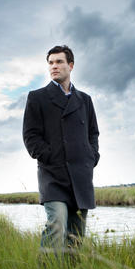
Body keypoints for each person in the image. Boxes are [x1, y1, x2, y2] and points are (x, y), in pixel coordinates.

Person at [22, 45, 100, 253]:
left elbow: (93, 133)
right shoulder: (37, 97)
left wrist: (91, 157)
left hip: (81, 176)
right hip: (53, 175)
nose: (54, 66)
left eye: (59, 62)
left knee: (76, 236)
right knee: (56, 225)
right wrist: (50, 156)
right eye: (50, 63)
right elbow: (30, 137)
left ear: (71, 65)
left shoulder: (85, 100)